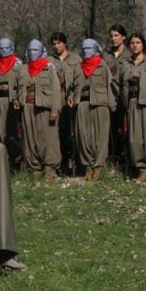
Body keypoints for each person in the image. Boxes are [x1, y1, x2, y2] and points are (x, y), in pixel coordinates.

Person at [14, 40, 61, 179]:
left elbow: (56, 90)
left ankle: (50, 169)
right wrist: (17, 100)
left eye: (35, 50)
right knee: (30, 139)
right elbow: (17, 87)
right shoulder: (22, 68)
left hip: (44, 108)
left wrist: (54, 110)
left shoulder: (49, 68)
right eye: (30, 50)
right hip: (27, 108)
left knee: (48, 138)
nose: (32, 53)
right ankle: (34, 168)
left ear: (41, 52)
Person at [119, 33, 146, 181]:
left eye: (138, 42)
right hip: (132, 103)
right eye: (132, 43)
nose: (135, 45)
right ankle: (141, 169)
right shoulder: (125, 65)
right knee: (135, 139)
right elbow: (121, 86)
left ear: (143, 44)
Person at [71, 39, 116, 180]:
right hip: (82, 105)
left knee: (100, 138)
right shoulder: (78, 68)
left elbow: (110, 86)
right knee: (83, 137)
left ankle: (98, 167)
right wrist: (71, 97)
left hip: (100, 105)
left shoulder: (103, 66)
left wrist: (112, 106)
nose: (86, 51)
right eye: (83, 48)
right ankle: (88, 167)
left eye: (89, 48)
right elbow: (73, 87)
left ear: (96, 49)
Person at [50, 32, 81, 175]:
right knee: (56, 133)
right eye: (54, 44)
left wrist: (73, 96)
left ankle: (75, 164)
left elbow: (79, 81)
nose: (56, 46)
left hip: (71, 100)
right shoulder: (49, 60)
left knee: (72, 131)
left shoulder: (76, 59)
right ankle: (59, 164)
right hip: (55, 99)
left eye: (59, 43)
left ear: (65, 43)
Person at [0, 37, 20, 143]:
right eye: (1, 48)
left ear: (11, 48)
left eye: (6, 47)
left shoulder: (18, 64)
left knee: (12, 130)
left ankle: (13, 156)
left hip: (12, 100)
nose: (3, 50)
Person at [106, 24, 128, 167]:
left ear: (123, 36)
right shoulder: (105, 55)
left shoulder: (130, 54)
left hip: (124, 97)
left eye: (116, 35)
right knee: (110, 131)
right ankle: (112, 160)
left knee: (125, 131)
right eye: (111, 36)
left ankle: (126, 161)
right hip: (109, 98)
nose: (113, 39)